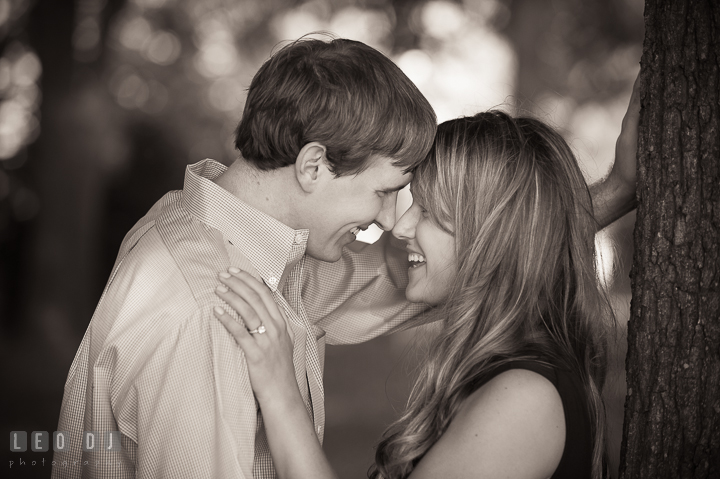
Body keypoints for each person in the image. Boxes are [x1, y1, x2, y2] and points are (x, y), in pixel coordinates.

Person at [53, 35, 636, 478]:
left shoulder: (239, 248)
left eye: (424, 209)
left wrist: (616, 192)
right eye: (387, 192)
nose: (392, 223)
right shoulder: (216, 305)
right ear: (313, 167)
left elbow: (476, 254)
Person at [213, 93, 642, 479]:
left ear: (490, 240)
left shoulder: (524, 399)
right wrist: (619, 193)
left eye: (432, 213)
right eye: (411, 202)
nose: (400, 226)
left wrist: (281, 392)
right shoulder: (511, 374)